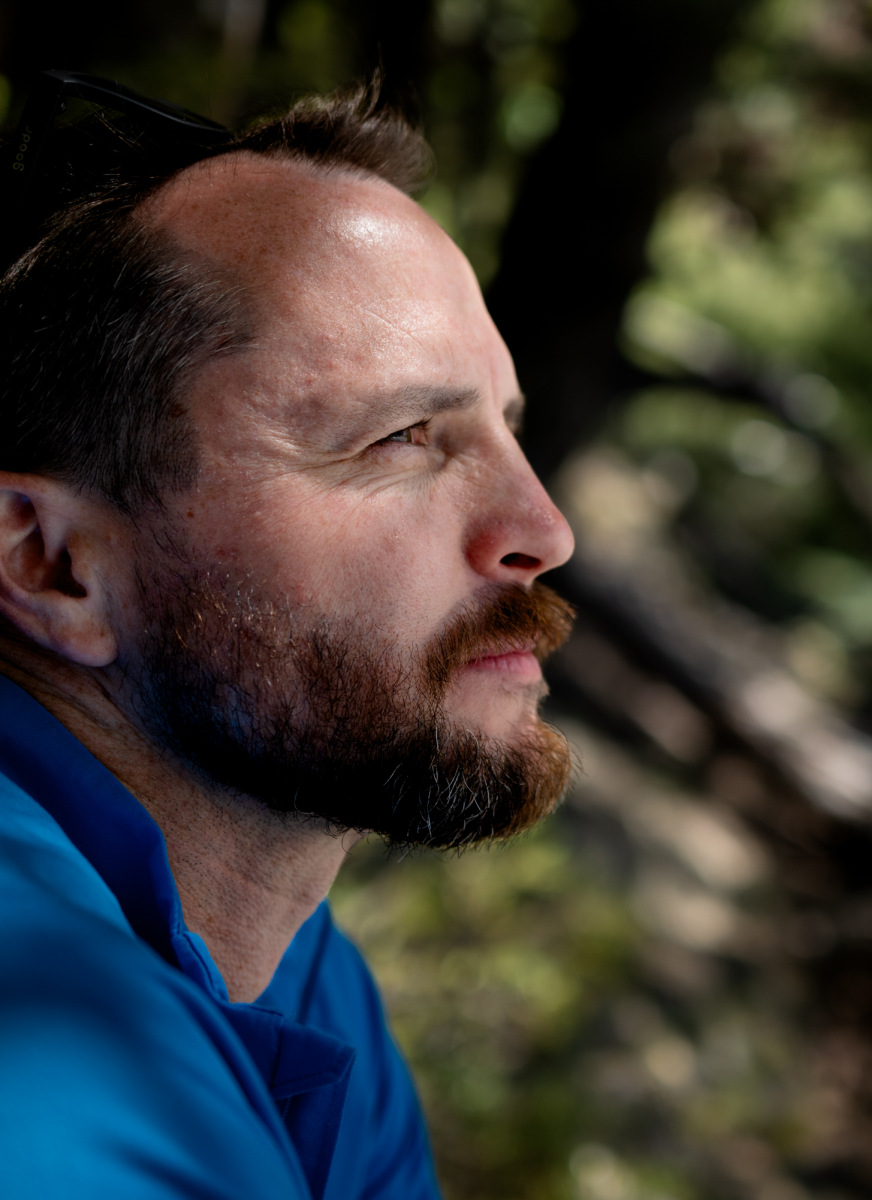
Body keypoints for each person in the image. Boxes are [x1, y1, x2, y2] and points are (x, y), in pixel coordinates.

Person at [0, 71, 575, 1199]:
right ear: (54, 565)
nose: (544, 531)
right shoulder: (46, 1053)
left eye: (504, 430)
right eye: (401, 438)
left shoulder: (297, 972)